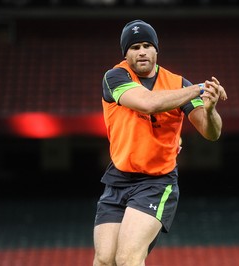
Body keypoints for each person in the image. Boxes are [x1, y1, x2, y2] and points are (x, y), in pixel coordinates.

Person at [93, 19, 227, 266]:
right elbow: (148, 103)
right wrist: (199, 88)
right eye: (134, 47)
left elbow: (211, 133)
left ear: (156, 50)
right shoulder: (115, 77)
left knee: (127, 258)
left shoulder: (179, 84)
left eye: (146, 45)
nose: (141, 51)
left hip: (156, 181)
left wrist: (209, 110)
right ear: (126, 53)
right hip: (118, 177)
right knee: (104, 260)